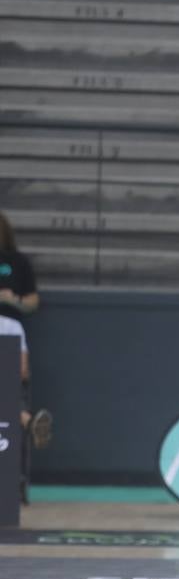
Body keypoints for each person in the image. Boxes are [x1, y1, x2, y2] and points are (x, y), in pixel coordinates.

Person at [0, 211, 52, 502]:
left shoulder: (17, 263)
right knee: (10, 404)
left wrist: (12, 300)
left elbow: (32, 301)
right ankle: (26, 419)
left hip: (6, 336)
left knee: (10, 394)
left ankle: (16, 482)